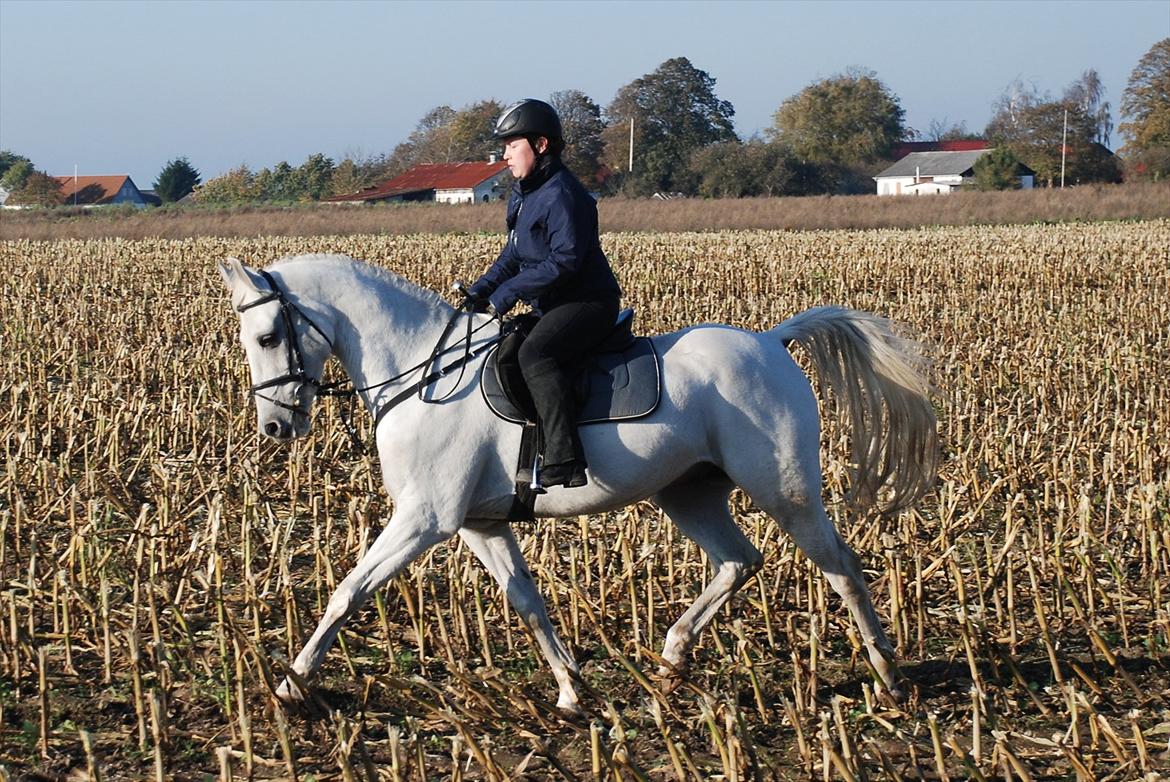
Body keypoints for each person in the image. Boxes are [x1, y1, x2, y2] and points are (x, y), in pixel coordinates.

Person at [465, 98, 622, 490]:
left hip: (588, 302)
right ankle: (535, 443)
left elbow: (564, 260)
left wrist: (510, 293)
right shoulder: (524, 193)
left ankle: (566, 458)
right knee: (505, 356)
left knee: (537, 353)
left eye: (511, 146)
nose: (505, 155)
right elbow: (514, 254)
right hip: (555, 302)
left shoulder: (565, 195)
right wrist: (481, 291)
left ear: (540, 146)